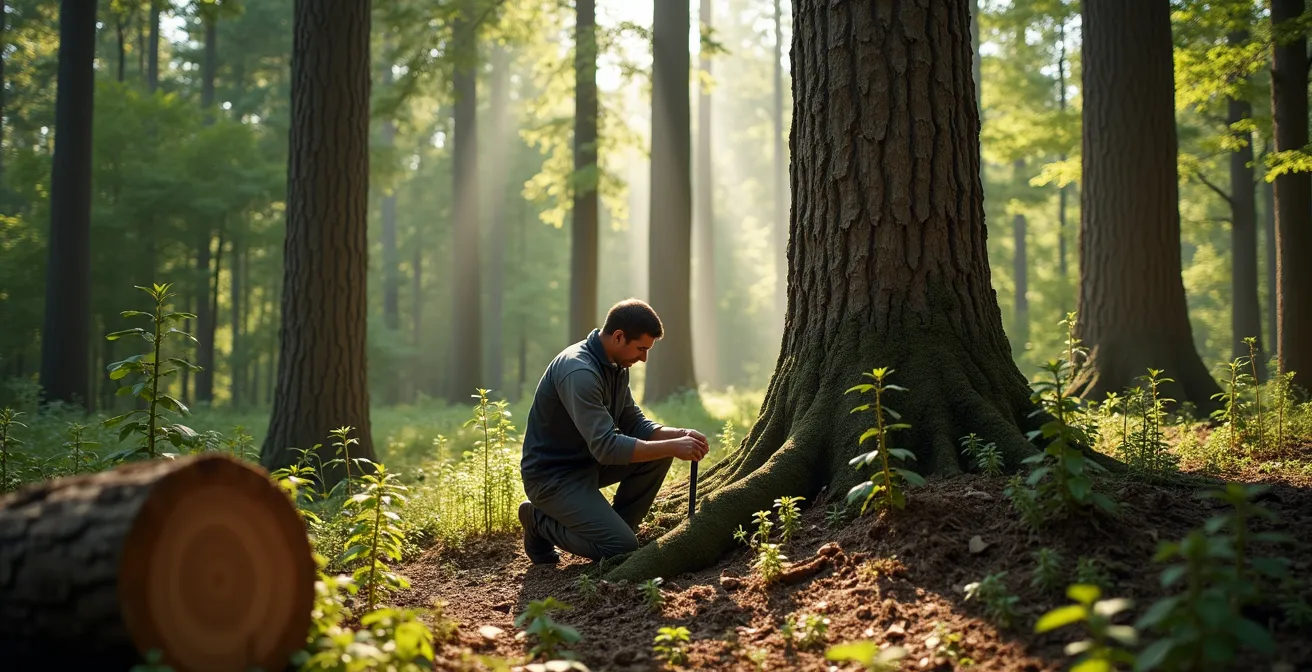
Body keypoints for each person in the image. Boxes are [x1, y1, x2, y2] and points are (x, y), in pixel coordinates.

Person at [517, 298, 709, 564]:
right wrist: (673, 446)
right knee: (621, 547)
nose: (643, 358)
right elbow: (607, 447)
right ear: (619, 337)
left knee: (659, 454)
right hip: (552, 478)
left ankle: (617, 528)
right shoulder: (579, 372)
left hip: (588, 465)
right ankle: (538, 520)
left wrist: (678, 434)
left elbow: (634, 423)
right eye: (641, 348)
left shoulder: (616, 364)